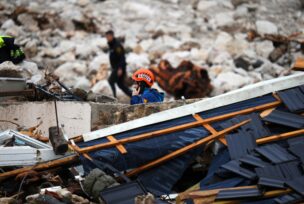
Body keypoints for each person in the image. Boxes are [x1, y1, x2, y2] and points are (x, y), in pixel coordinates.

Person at [105, 30, 132, 98]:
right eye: (106, 37)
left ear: (112, 36)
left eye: (108, 36)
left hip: (119, 67)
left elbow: (122, 57)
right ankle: (133, 96)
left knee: (111, 81)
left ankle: (113, 98)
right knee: (120, 85)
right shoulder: (111, 44)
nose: (107, 38)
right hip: (116, 67)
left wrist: (120, 68)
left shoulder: (117, 45)